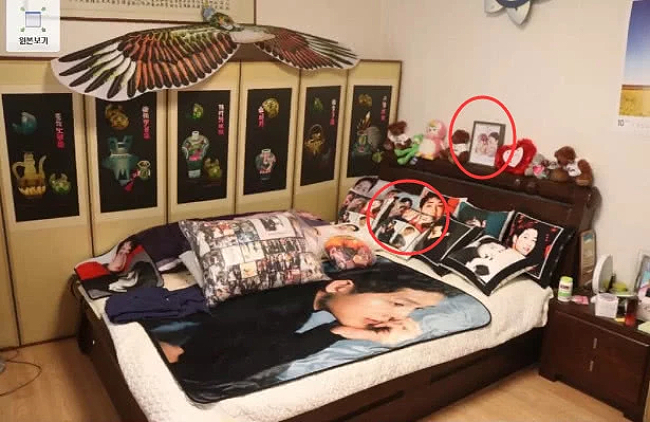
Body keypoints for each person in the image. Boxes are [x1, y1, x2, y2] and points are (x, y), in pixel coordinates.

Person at [151, 264, 459, 401]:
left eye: (409, 312)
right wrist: (338, 332)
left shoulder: (302, 300)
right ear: (341, 285)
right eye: (397, 303)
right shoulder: (278, 307)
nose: (391, 319)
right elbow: (211, 372)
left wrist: (340, 331)